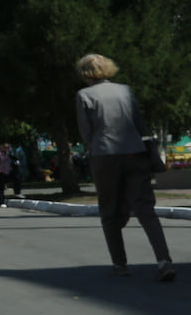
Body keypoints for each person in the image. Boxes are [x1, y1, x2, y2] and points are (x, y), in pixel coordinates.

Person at [75, 54, 176, 281]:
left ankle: (120, 263)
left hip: (105, 156)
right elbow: (140, 123)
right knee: (146, 210)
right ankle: (164, 261)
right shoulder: (125, 91)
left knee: (109, 210)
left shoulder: (83, 95)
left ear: (85, 72)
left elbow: (86, 132)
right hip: (135, 153)